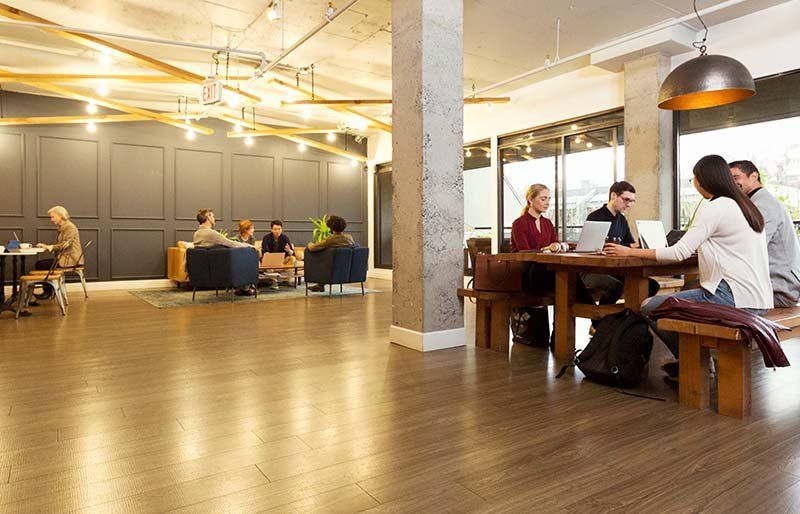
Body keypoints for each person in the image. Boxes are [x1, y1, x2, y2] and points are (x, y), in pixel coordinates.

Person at [605, 155, 773, 380]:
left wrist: (629, 251)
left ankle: (691, 362)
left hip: (733, 298)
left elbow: (678, 252)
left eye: (694, 178)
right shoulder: (745, 206)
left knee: (650, 305)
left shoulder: (716, 206)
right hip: (760, 299)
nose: (693, 183)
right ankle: (695, 361)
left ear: (703, 180)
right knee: (684, 295)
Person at [510, 184, 595, 345]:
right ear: (530, 199)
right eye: (543, 198)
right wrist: (546, 248)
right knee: (568, 281)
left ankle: (562, 335)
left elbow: (554, 242)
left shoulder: (548, 223)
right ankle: (596, 319)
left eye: (549, 199)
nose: (548, 202)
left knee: (568, 280)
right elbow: (524, 252)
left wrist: (557, 246)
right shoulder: (519, 223)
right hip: (528, 274)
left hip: (546, 273)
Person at [729, 160, 800, 307]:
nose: (732, 183)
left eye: (736, 177)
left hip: (780, 290)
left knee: (702, 295)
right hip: (772, 286)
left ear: (754, 176)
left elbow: (751, 248)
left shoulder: (764, 205)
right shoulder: (757, 202)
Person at [581, 181, 659, 307]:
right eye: (626, 199)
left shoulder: (622, 220)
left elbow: (631, 245)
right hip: (592, 270)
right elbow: (594, 248)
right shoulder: (595, 217)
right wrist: (629, 247)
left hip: (615, 269)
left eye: (632, 201)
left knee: (652, 285)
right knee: (615, 286)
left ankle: (628, 319)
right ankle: (601, 323)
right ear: (613, 196)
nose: (629, 204)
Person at [33, 206, 83, 299]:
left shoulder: (69, 227)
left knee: (41, 264)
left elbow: (65, 244)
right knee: (41, 264)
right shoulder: (63, 227)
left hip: (70, 259)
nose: (51, 220)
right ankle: (50, 290)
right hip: (65, 257)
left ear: (60, 216)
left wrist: (50, 247)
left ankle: (48, 292)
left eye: (52, 217)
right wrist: (50, 247)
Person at [306, 215, 355, 292]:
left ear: (331, 228)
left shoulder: (330, 240)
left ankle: (320, 285)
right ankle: (320, 285)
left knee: (318, 256)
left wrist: (309, 244)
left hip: (331, 267)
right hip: (346, 267)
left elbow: (312, 248)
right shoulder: (349, 238)